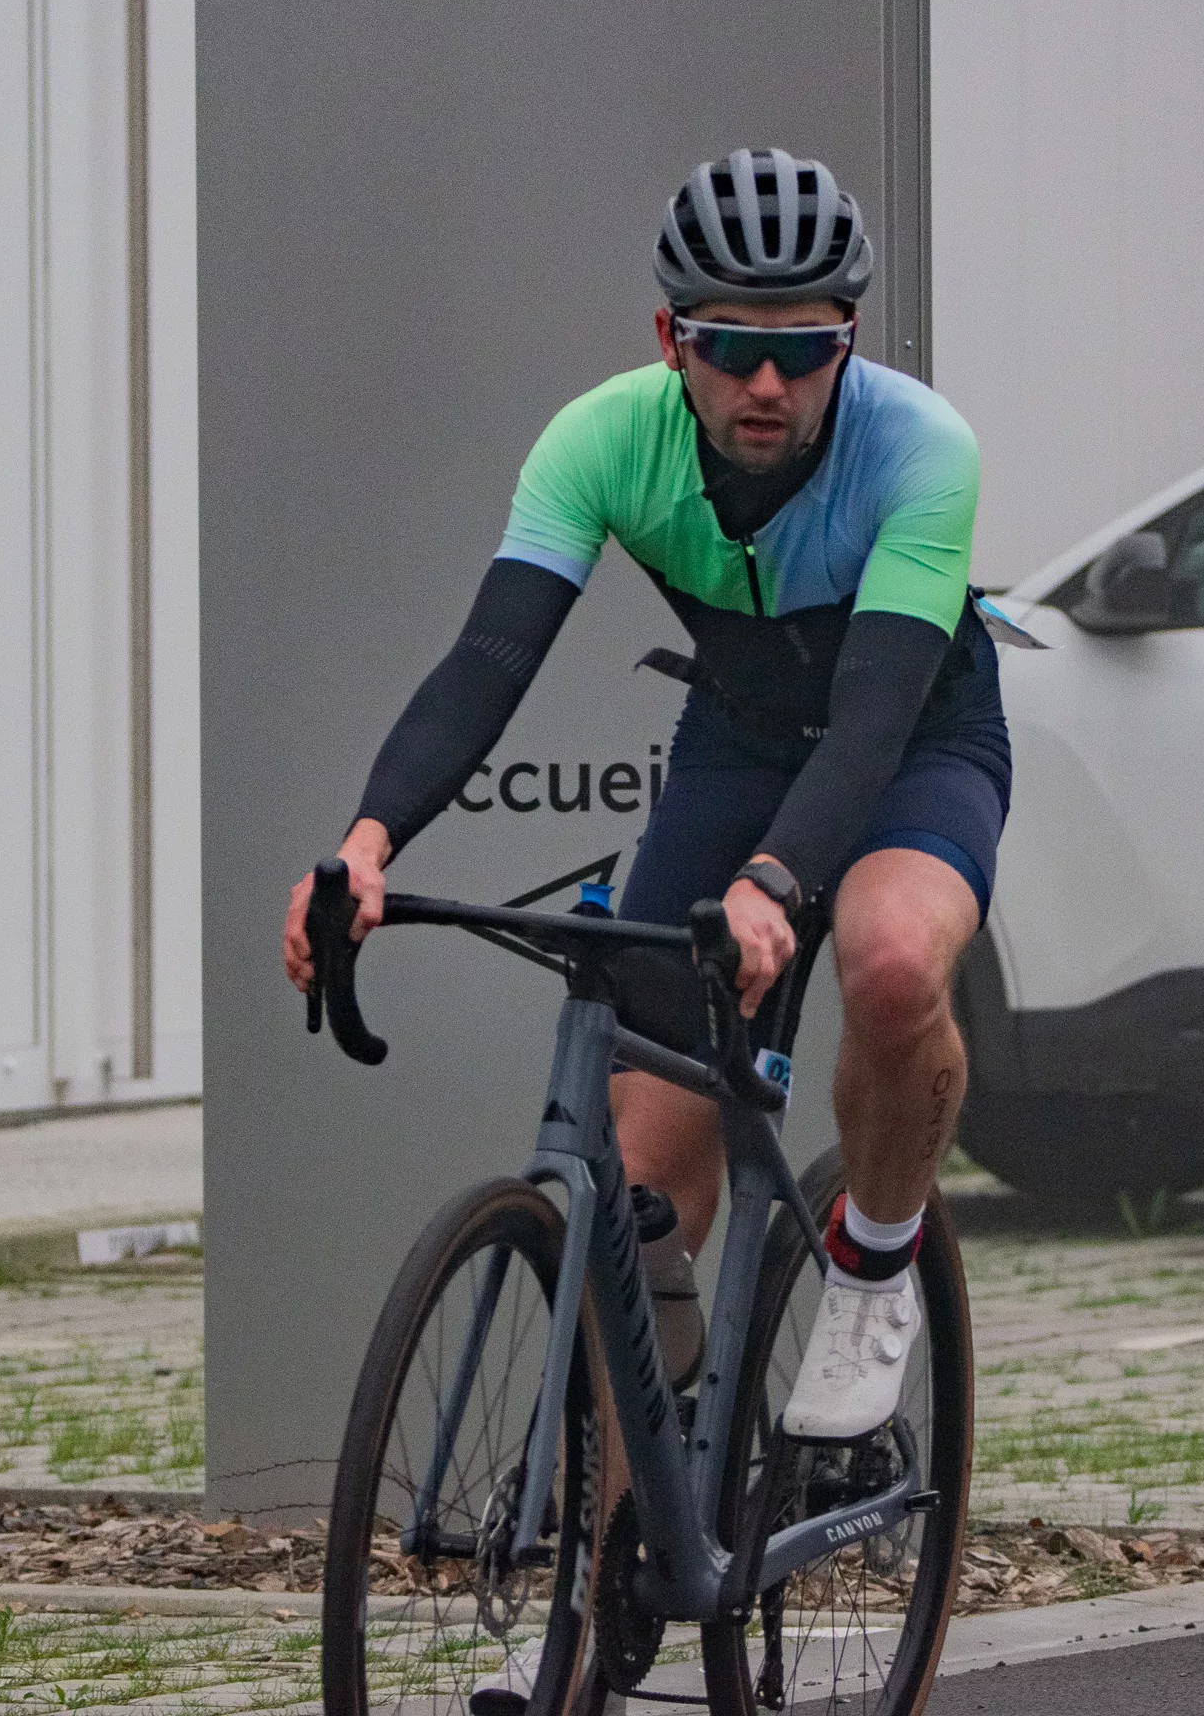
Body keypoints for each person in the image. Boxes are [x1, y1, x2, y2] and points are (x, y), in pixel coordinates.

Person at [284, 147, 1009, 1442]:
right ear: (672, 339)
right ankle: (624, 1540)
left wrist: (776, 883)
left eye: (807, 350)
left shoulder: (920, 446)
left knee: (894, 962)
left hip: (913, 744)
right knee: (640, 1197)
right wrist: (367, 845)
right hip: (739, 746)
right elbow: (490, 659)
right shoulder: (604, 440)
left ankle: (873, 1265)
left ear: (850, 341)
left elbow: (873, 718)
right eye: (732, 348)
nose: (769, 385)